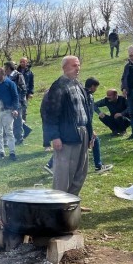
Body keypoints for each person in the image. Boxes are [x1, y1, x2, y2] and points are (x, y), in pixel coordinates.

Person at [42, 56, 93, 196]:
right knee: (63, 174)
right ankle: (59, 205)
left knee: (80, 171)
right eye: (74, 66)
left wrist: (90, 131)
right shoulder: (58, 86)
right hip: (67, 134)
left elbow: (85, 111)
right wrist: (55, 137)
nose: (78, 68)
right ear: (65, 68)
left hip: (82, 132)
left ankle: (71, 203)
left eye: (78, 65)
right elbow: (50, 114)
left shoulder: (78, 84)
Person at [43, 78, 113, 174]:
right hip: (79, 126)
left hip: (76, 125)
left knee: (65, 144)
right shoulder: (87, 95)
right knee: (71, 144)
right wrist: (90, 129)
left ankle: (50, 165)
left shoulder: (81, 93)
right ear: (93, 86)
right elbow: (85, 113)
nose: (96, 89)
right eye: (96, 87)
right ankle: (98, 166)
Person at [4, 61, 27, 145]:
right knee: (7, 121)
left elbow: (23, 90)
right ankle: (7, 139)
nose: (4, 70)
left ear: (9, 68)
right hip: (7, 103)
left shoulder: (18, 75)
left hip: (17, 102)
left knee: (18, 121)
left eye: (5, 68)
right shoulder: (5, 76)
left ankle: (19, 139)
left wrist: (18, 101)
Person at [17, 57, 34, 139]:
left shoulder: (30, 73)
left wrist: (31, 92)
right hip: (18, 93)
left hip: (25, 93)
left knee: (23, 110)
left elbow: (31, 84)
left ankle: (23, 125)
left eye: (24, 62)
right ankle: (22, 126)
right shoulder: (17, 72)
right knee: (19, 111)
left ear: (27, 63)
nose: (22, 63)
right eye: (21, 62)